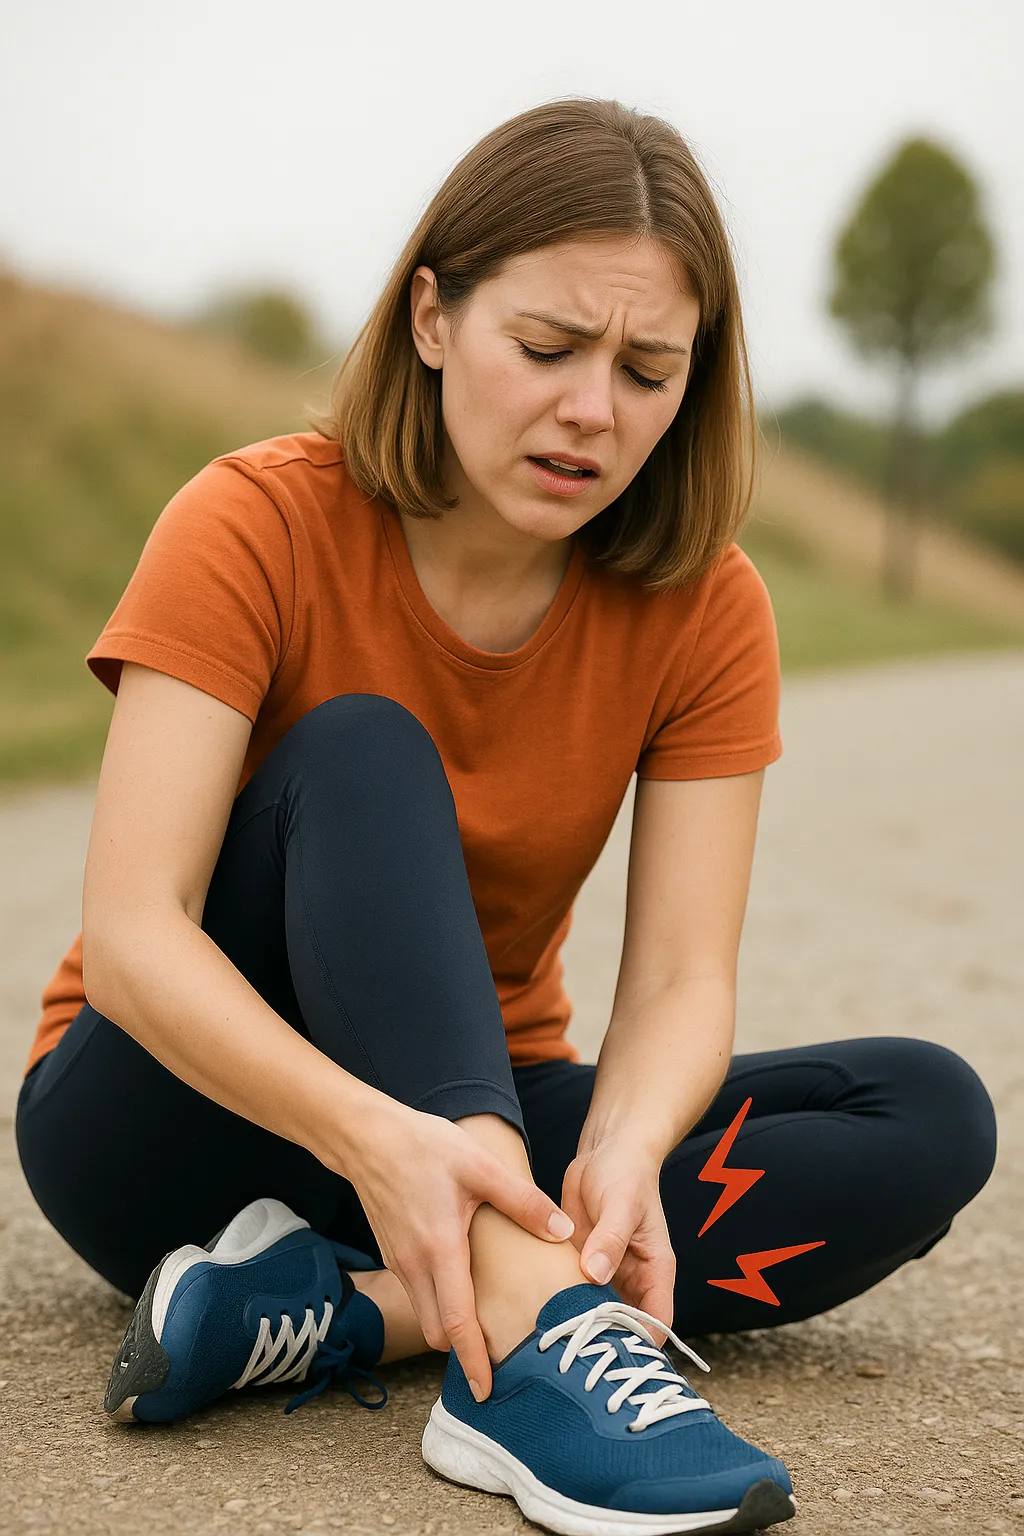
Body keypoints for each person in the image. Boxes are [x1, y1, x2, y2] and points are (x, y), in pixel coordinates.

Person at [15, 98, 995, 1536]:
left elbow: (676, 981)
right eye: (546, 350)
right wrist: (385, 1137)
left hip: (465, 1129)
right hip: (174, 1118)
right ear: (430, 318)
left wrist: (630, 1145)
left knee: (922, 1114)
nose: (592, 410)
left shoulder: (705, 605)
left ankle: (351, 1314)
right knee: (357, 749)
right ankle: (531, 1345)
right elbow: (136, 933)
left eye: (648, 370)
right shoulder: (252, 524)